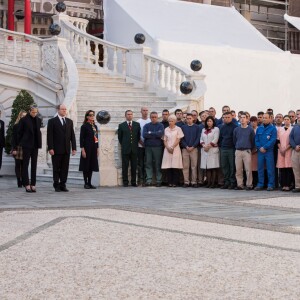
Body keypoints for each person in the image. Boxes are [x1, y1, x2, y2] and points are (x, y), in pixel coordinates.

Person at [47, 104, 76, 192]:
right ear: (58, 110)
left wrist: (74, 148)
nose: (64, 110)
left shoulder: (69, 121)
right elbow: (50, 136)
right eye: (62, 109)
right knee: (56, 168)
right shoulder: (52, 121)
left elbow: (72, 136)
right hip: (56, 149)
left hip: (66, 149)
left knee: (65, 168)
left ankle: (63, 184)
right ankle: (56, 184)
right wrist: (50, 148)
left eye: (65, 109)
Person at [18, 106, 42, 193]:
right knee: (25, 164)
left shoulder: (38, 120)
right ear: (29, 111)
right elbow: (19, 133)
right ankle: (26, 184)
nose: (34, 114)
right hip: (26, 145)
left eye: (36, 112)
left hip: (35, 145)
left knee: (34, 165)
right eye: (33, 112)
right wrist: (21, 142)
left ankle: (33, 184)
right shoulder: (23, 120)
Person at [254, 113, 277, 191]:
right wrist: (260, 147)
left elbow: (273, 140)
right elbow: (256, 139)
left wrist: (265, 147)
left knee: (270, 168)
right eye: (263, 118)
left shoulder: (273, 129)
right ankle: (260, 184)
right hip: (260, 151)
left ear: (270, 119)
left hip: (268, 151)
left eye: (266, 118)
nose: (264, 119)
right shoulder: (259, 128)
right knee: (260, 168)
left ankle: (271, 184)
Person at [118, 110, 141, 187]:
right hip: (125, 149)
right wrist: (125, 145)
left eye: (131, 114)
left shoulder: (137, 125)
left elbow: (138, 136)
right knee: (125, 166)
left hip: (134, 149)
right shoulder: (121, 125)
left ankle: (134, 182)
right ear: (125, 116)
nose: (129, 115)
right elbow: (120, 138)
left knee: (134, 166)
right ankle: (125, 182)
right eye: (128, 114)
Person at [233, 113, 255, 190]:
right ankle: (240, 184)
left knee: (248, 169)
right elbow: (234, 140)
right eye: (241, 117)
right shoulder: (236, 129)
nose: (242, 119)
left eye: (244, 117)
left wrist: (250, 149)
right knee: (238, 169)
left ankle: (249, 184)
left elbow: (253, 141)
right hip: (238, 150)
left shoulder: (250, 129)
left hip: (247, 151)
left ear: (247, 119)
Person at [161, 115, 184, 187]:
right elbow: (164, 140)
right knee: (168, 166)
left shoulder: (178, 129)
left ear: (175, 121)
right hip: (167, 149)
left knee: (175, 166)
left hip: (175, 149)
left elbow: (178, 139)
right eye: (169, 121)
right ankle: (169, 182)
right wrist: (167, 147)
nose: (170, 122)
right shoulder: (166, 129)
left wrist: (172, 147)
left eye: (172, 121)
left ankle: (175, 182)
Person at [143, 111, 164, 187]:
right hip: (148, 147)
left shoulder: (160, 125)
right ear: (150, 117)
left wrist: (150, 133)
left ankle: (159, 180)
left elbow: (160, 134)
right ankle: (149, 180)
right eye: (152, 117)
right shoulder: (146, 125)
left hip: (158, 147)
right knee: (148, 163)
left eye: (155, 117)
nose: (154, 118)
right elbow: (144, 135)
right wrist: (155, 133)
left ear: (157, 117)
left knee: (158, 164)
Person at [79, 110, 99, 189]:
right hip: (86, 147)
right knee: (86, 165)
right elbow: (81, 139)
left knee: (91, 165)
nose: (92, 116)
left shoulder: (95, 126)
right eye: (90, 115)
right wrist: (82, 149)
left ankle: (90, 183)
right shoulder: (84, 126)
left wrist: (97, 148)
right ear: (87, 116)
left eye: (93, 115)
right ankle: (85, 183)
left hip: (94, 148)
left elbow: (96, 138)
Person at [181, 113, 201, 188]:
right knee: (185, 166)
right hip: (185, 149)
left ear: (193, 119)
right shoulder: (183, 127)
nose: (188, 120)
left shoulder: (197, 127)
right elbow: (181, 138)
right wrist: (186, 146)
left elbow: (198, 138)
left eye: (190, 118)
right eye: (187, 118)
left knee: (194, 166)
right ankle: (186, 181)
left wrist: (193, 146)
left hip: (194, 149)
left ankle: (194, 181)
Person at [219, 112, 237, 189]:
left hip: (231, 149)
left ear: (231, 117)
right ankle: (226, 182)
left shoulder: (235, 127)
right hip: (223, 148)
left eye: (228, 117)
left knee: (232, 166)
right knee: (224, 166)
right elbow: (220, 138)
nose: (226, 119)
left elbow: (236, 139)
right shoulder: (222, 127)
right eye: (224, 117)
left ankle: (232, 182)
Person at [200, 116, 220, 188]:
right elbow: (201, 139)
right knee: (207, 167)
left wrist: (208, 146)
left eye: (210, 121)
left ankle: (213, 183)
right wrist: (204, 146)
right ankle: (208, 182)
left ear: (213, 122)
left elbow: (215, 139)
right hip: (205, 150)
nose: (209, 122)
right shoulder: (203, 130)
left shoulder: (216, 129)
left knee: (213, 167)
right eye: (208, 121)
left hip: (212, 150)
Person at [277, 115, 293, 191]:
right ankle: (283, 184)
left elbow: (292, 141)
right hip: (281, 151)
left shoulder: (292, 129)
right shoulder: (280, 129)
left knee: (288, 168)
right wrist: (281, 149)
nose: (286, 120)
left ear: (290, 120)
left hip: (289, 150)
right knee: (282, 168)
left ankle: (288, 185)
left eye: (288, 119)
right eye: (285, 119)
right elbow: (278, 140)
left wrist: (285, 149)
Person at [11, 110, 26, 187]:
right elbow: (13, 138)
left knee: (24, 165)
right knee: (18, 164)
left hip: (26, 148)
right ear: (20, 116)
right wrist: (14, 149)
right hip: (18, 147)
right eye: (22, 116)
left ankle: (24, 181)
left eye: (25, 116)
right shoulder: (16, 126)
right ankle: (18, 180)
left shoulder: (28, 126)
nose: (24, 117)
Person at [137, 107, 150, 186]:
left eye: (146, 110)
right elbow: (136, 134)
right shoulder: (138, 122)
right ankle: (140, 180)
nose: (145, 112)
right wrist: (141, 143)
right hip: (140, 146)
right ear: (141, 111)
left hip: (149, 146)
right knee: (140, 163)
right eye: (143, 110)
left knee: (147, 163)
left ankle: (146, 180)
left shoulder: (150, 121)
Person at [289, 109, 300, 193]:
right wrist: (295, 146)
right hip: (295, 151)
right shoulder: (295, 127)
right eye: (297, 115)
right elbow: (290, 137)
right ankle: (298, 186)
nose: (299, 116)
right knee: (296, 169)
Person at [250, 116, 258, 187]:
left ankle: (256, 182)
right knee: (250, 168)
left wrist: (256, 148)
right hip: (250, 151)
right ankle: (251, 182)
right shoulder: (249, 129)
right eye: (252, 121)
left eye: (254, 121)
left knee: (256, 167)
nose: (253, 123)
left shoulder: (259, 129)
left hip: (257, 151)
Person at [0, 110, 5, 177]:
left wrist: (3, 143)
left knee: (0, 158)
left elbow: (3, 133)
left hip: (0, 143)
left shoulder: (2, 122)